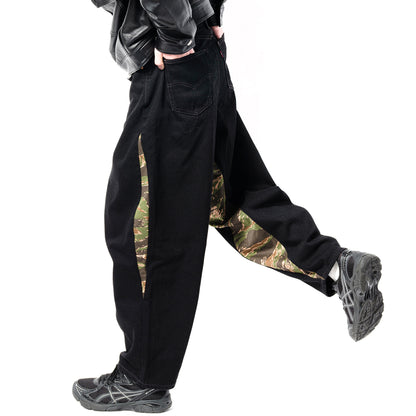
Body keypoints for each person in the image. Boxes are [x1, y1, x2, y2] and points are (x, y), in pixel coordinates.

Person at [72, 0, 384, 412]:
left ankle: (142, 377)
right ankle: (337, 266)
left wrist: (176, 38)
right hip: (200, 55)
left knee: (143, 226)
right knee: (231, 196)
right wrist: (209, 16)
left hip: (174, 64)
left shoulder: (175, 47)